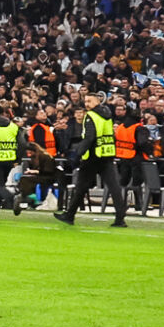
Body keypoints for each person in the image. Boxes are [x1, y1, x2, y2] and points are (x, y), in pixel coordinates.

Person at [55, 93, 126, 227]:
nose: (86, 104)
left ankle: (69, 215)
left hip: (93, 157)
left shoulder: (91, 116)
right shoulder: (107, 115)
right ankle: (120, 218)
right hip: (106, 155)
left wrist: (77, 155)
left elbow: (89, 138)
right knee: (114, 187)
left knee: (81, 187)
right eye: (85, 101)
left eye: (89, 101)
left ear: (97, 101)